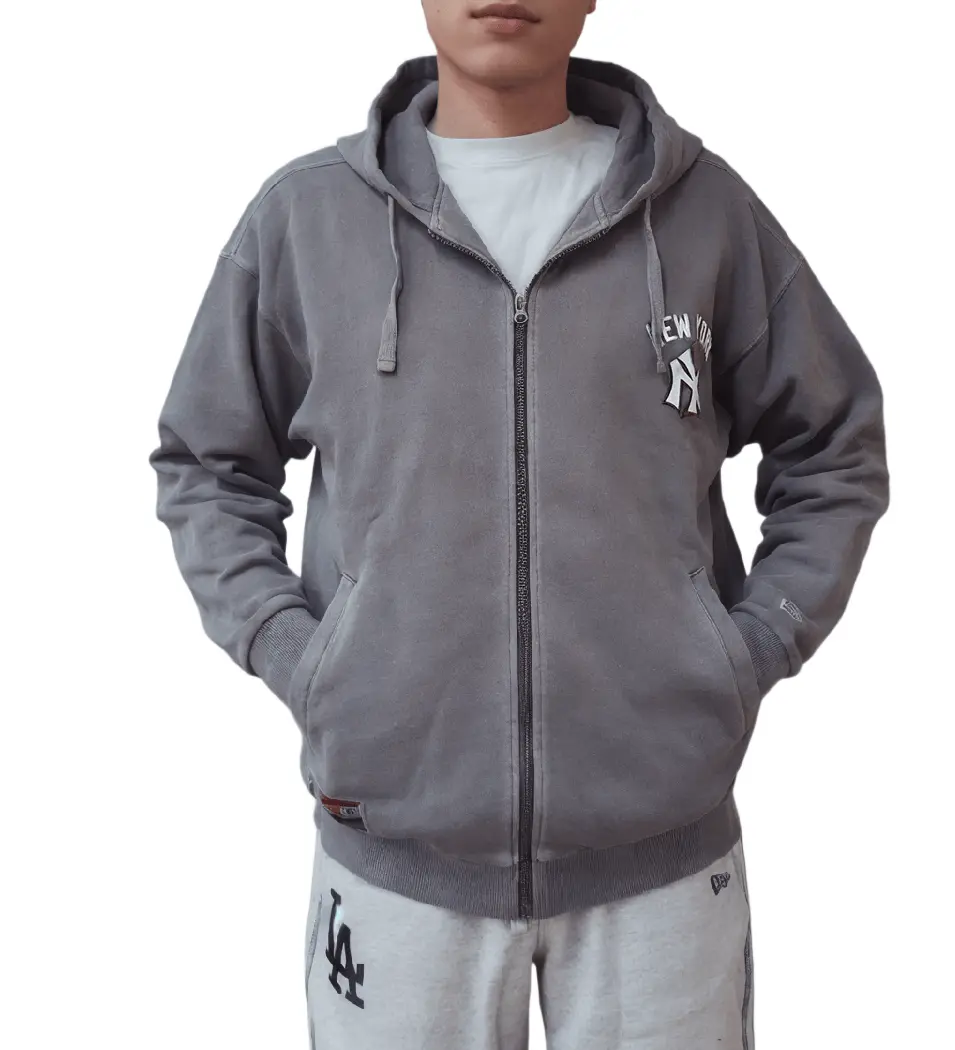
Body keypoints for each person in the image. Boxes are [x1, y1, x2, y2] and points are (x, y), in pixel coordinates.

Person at [148, 1, 891, 1046]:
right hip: (395, 863)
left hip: (663, 866)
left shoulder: (706, 215)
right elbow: (207, 462)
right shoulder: (305, 221)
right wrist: (299, 654)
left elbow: (834, 442)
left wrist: (751, 644)